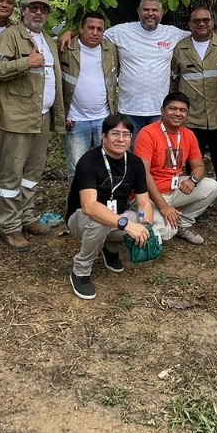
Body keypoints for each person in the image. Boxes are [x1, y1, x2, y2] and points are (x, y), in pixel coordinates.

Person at [0, 0, 65, 251]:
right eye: (33, 8)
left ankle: (26, 216)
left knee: (32, 173)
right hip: (16, 118)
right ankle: (9, 226)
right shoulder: (11, 36)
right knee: (11, 175)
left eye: (43, 9)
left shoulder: (48, 40)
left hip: (40, 116)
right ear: (23, 11)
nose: (38, 13)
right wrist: (25, 63)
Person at [66, 114, 156, 301]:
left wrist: (144, 224)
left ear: (131, 138)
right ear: (103, 137)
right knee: (99, 222)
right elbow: (89, 206)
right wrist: (127, 225)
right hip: (81, 218)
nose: (121, 139)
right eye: (115, 134)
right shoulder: (89, 161)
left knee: (157, 223)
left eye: (126, 134)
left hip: (117, 216)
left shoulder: (134, 163)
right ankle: (80, 271)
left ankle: (110, 247)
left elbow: (144, 202)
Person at [169, 5, 217, 221]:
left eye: (205, 20)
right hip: (191, 120)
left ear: (213, 22)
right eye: (196, 21)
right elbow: (174, 81)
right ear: (190, 24)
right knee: (191, 164)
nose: (201, 24)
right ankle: (193, 204)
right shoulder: (181, 48)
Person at [134, 92, 217, 243]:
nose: (177, 113)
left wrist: (192, 181)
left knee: (213, 186)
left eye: (182, 110)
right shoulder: (148, 133)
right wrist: (163, 206)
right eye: (172, 109)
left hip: (175, 189)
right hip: (150, 195)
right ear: (162, 111)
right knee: (166, 231)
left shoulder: (188, 134)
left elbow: (199, 165)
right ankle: (155, 221)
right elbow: (143, 174)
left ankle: (182, 224)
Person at [100, 0, 189, 132]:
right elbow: (93, 35)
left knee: (156, 152)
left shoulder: (172, 33)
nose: (150, 13)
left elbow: (198, 34)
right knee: (132, 152)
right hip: (129, 110)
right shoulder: (121, 31)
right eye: (146, 10)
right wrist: (70, 33)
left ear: (162, 13)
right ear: (138, 12)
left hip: (160, 111)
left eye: (155, 10)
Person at [61, 10, 120, 175]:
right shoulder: (66, 47)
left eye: (99, 29)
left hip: (104, 119)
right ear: (81, 29)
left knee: (104, 166)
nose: (95, 32)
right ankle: (78, 202)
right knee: (77, 169)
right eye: (90, 28)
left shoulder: (110, 49)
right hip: (76, 120)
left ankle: (99, 201)